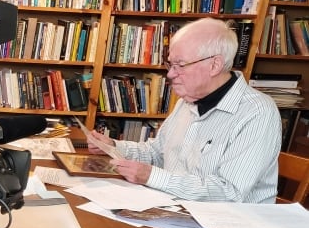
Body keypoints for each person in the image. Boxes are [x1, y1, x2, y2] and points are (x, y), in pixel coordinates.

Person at [89, 17, 282, 203]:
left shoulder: (257, 112)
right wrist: (113, 146)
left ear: (214, 65)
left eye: (180, 65)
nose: (171, 74)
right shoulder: (189, 98)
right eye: (170, 64)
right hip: (176, 210)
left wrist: (152, 177)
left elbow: (229, 192)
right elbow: (158, 153)